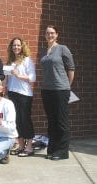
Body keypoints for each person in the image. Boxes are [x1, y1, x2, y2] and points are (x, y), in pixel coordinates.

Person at [40, 25, 75, 160]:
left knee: (61, 121)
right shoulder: (44, 52)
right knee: (52, 121)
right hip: (47, 90)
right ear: (45, 35)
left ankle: (62, 151)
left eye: (52, 33)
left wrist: (67, 86)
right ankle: (52, 149)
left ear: (57, 35)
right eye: (48, 33)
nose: (50, 35)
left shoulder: (62, 49)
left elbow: (71, 68)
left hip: (61, 90)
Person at [5, 37, 36, 157]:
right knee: (16, 120)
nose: (16, 47)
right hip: (12, 93)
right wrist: (6, 90)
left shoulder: (27, 60)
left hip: (24, 94)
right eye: (14, 45)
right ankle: (21, 145)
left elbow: (33, 78)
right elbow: (8, 78)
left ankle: (29, 147)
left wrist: (18, 75)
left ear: (22, 46)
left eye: (18, 45)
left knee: (25, 120)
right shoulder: (10, 61)